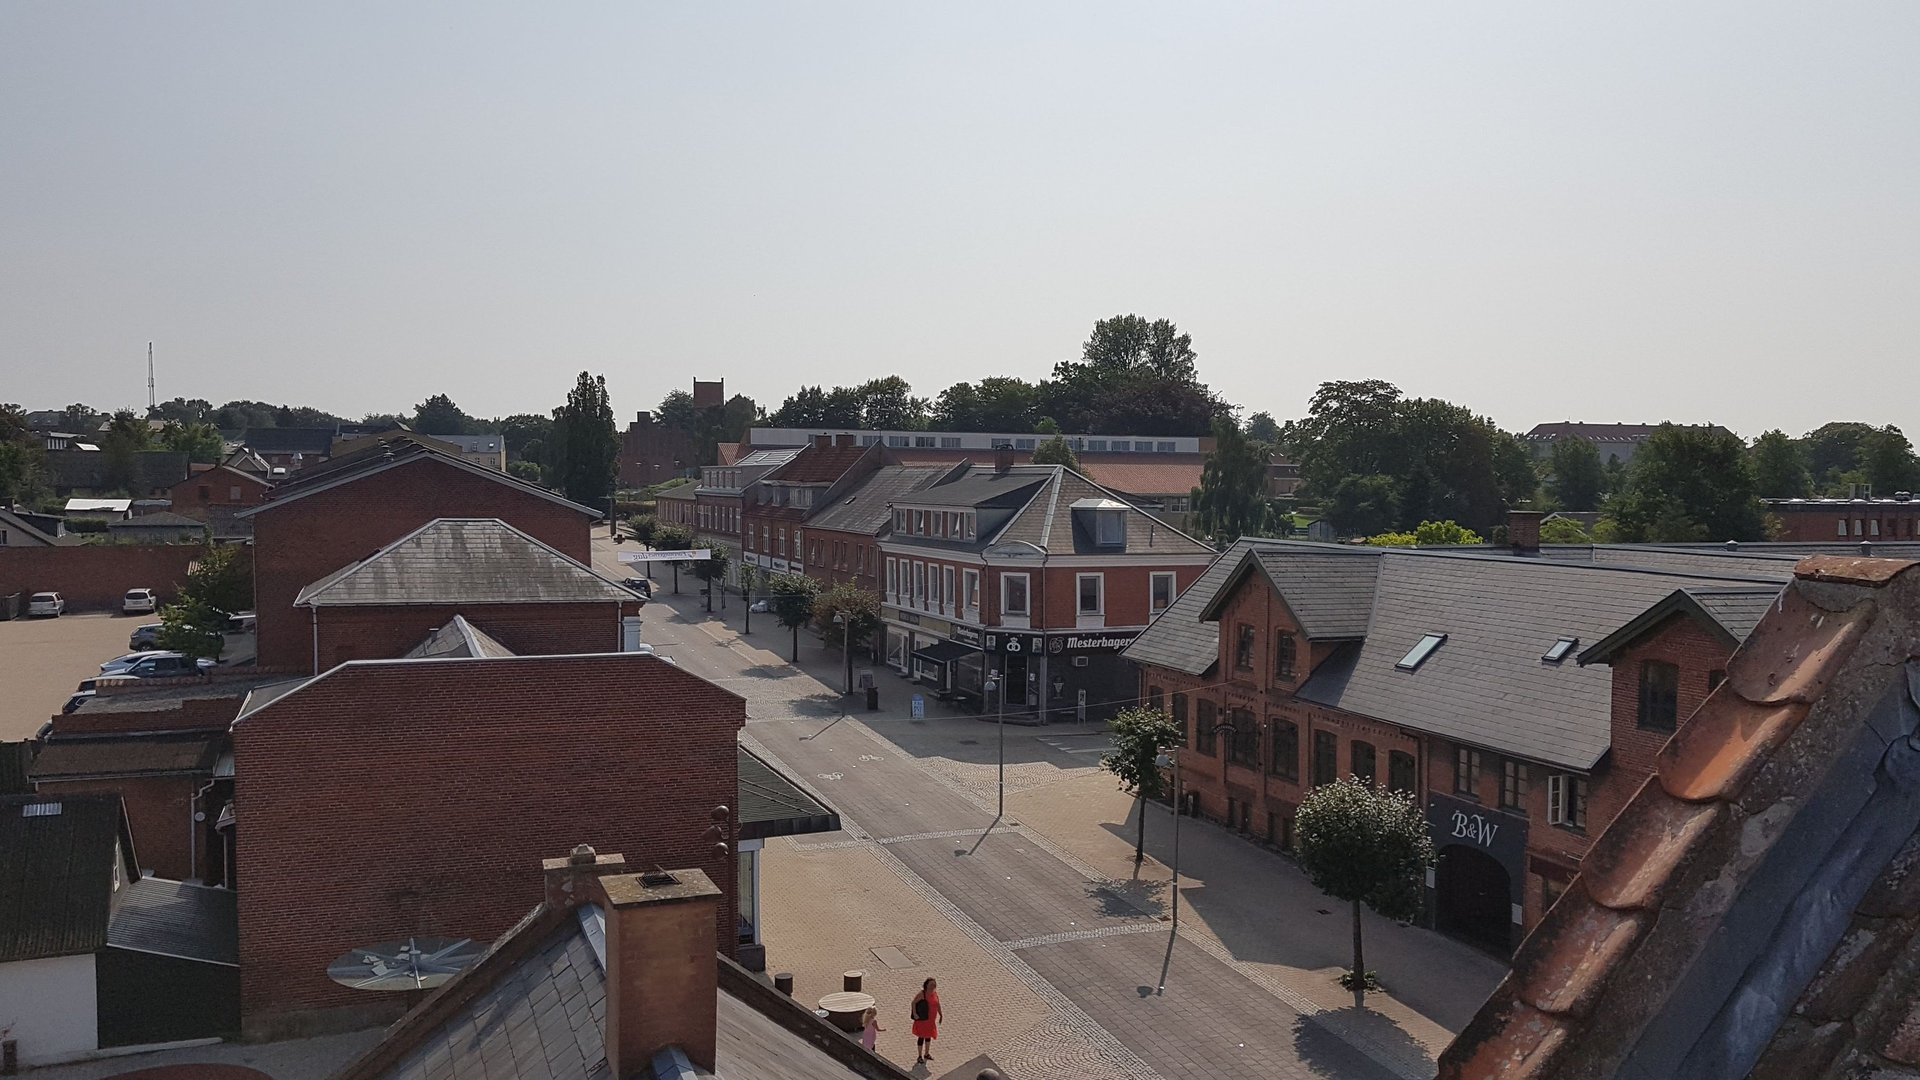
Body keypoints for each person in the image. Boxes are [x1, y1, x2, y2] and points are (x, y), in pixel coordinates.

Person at [910, 977, 943, 1064]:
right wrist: (915, 1014)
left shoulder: (935, 993)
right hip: (923, 1019)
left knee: (928, 1036)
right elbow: (913, 1003)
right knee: (921, 1037)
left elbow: (937, 1004)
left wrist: (941, 1014)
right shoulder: (922, 994)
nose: (933, 986)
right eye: (931, 984)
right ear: (926, 985)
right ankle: (919, 1056)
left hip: (931, 1020)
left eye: (934, 984)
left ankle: (927, 1053)